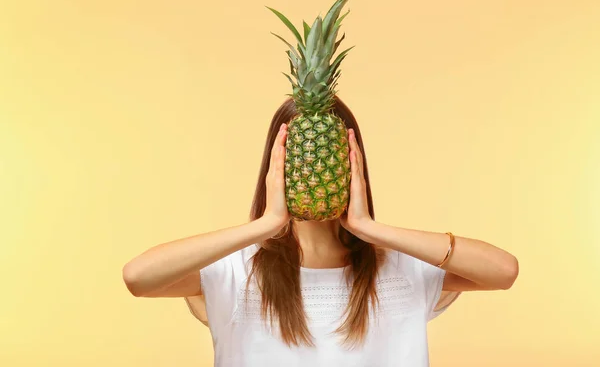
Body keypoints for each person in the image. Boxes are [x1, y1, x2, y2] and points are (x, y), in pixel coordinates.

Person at [122, 96, 519, 366]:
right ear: (275, 165)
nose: (312, 167)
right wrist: (264, 225)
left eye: (325, 154)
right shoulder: (234, 271)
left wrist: (371, 229)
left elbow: (503, 271)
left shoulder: (403, 268)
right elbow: (138, 277)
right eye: (300, 154)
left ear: (351, 161)